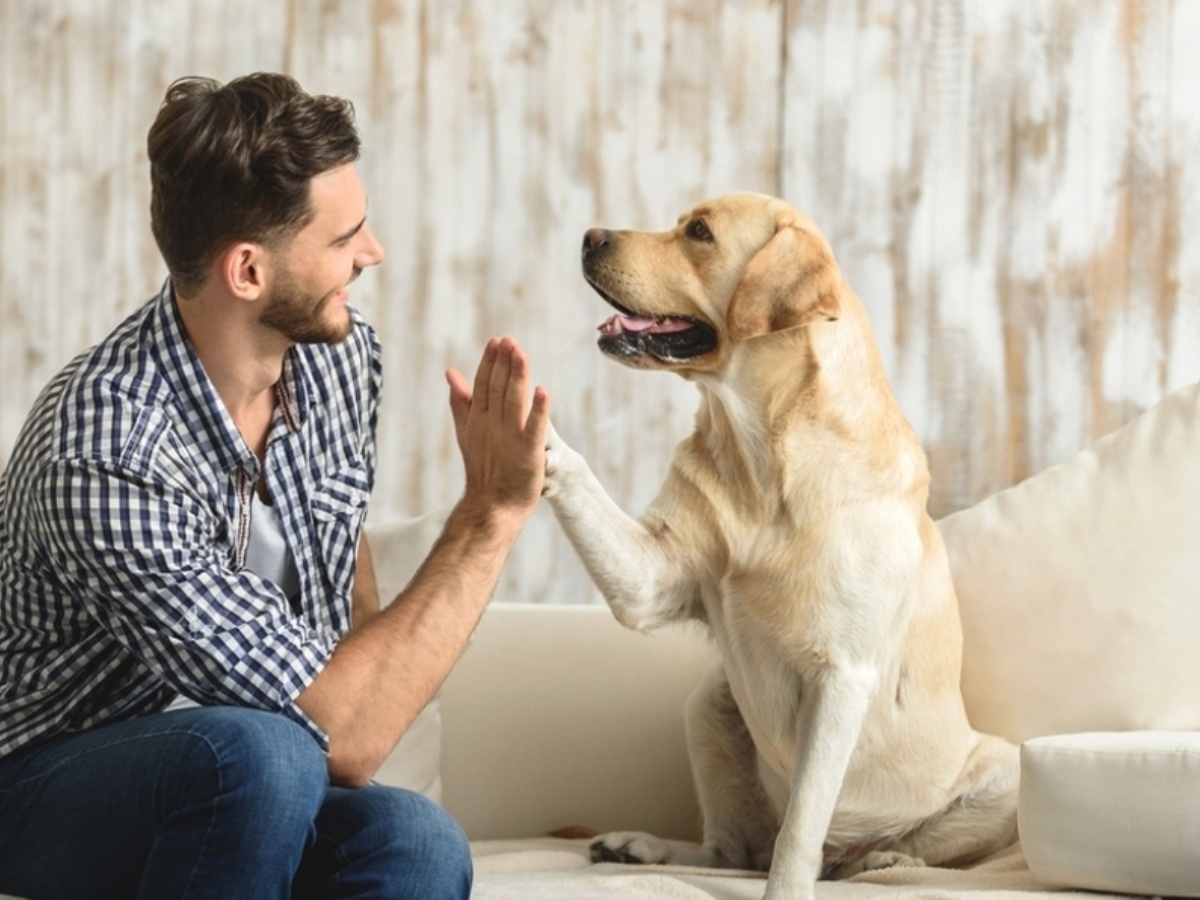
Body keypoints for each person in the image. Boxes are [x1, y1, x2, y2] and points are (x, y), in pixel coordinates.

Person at [0, 72, 549, 899]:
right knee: (263, 754)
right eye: (344, 239)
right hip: (40, 780)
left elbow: (343, 562)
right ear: (248, 271)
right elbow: (346, 737)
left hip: (246, 778)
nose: (373, 254)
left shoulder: (338, 357)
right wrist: (491, 514)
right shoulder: (107, 450)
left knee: (416, 839)